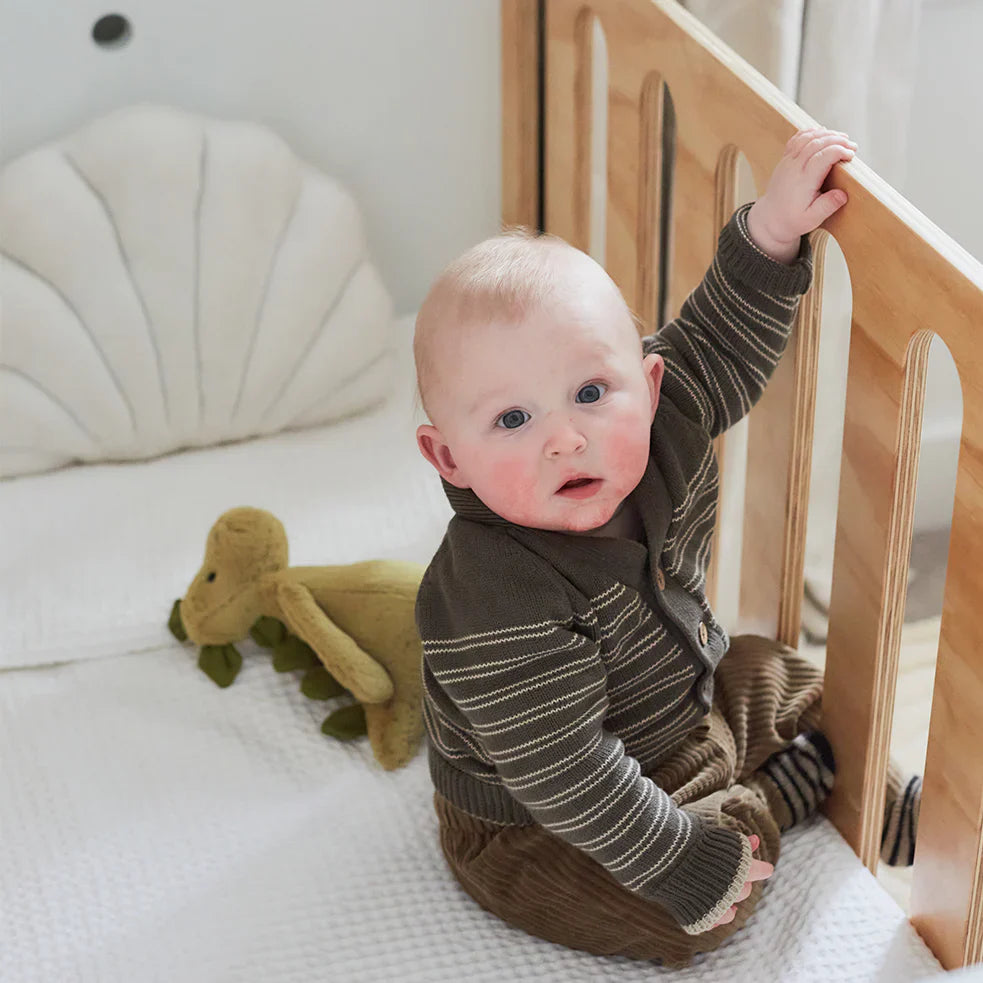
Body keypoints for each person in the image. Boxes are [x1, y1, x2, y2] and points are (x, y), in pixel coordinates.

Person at [411, 127, 920, 967]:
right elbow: (569, 773)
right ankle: (768, 801)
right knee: (693, 912)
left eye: (587, 392)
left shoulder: (663, 424)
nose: (565, 439)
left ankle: (886, 799)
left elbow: (717, 338)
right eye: (512, 418)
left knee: (789, 671)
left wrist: (770, 234)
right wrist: (684, 860)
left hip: (680, 710)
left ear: (646, 386)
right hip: (537, 815)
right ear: (447, 456)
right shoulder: (491, 597)